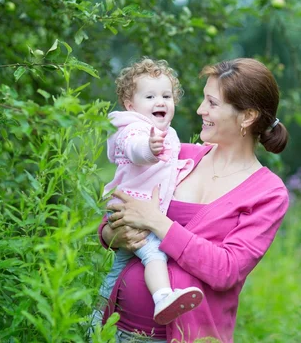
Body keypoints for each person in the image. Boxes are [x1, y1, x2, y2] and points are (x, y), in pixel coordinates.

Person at [99, 58, 290, 343]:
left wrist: (157, 222)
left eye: (212, 103)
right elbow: (112, 220)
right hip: (114, 328)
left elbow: (226, 270)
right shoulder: (177, 156)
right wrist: (115, 233)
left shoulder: (267, 193)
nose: (201, 110)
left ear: (247, 116)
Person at [94, 58, 204, 330]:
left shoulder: (169, 134)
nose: (161, 102)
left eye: (167, 96)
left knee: (116, 272)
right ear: (131, 105)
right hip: (130, 210)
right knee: (155, 253)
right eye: (150, 96)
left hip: (142, 212)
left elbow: (166, 170)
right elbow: (134, 149)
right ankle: (163, 296)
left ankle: (95, 323)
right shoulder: (130, 128)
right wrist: (149, 148)